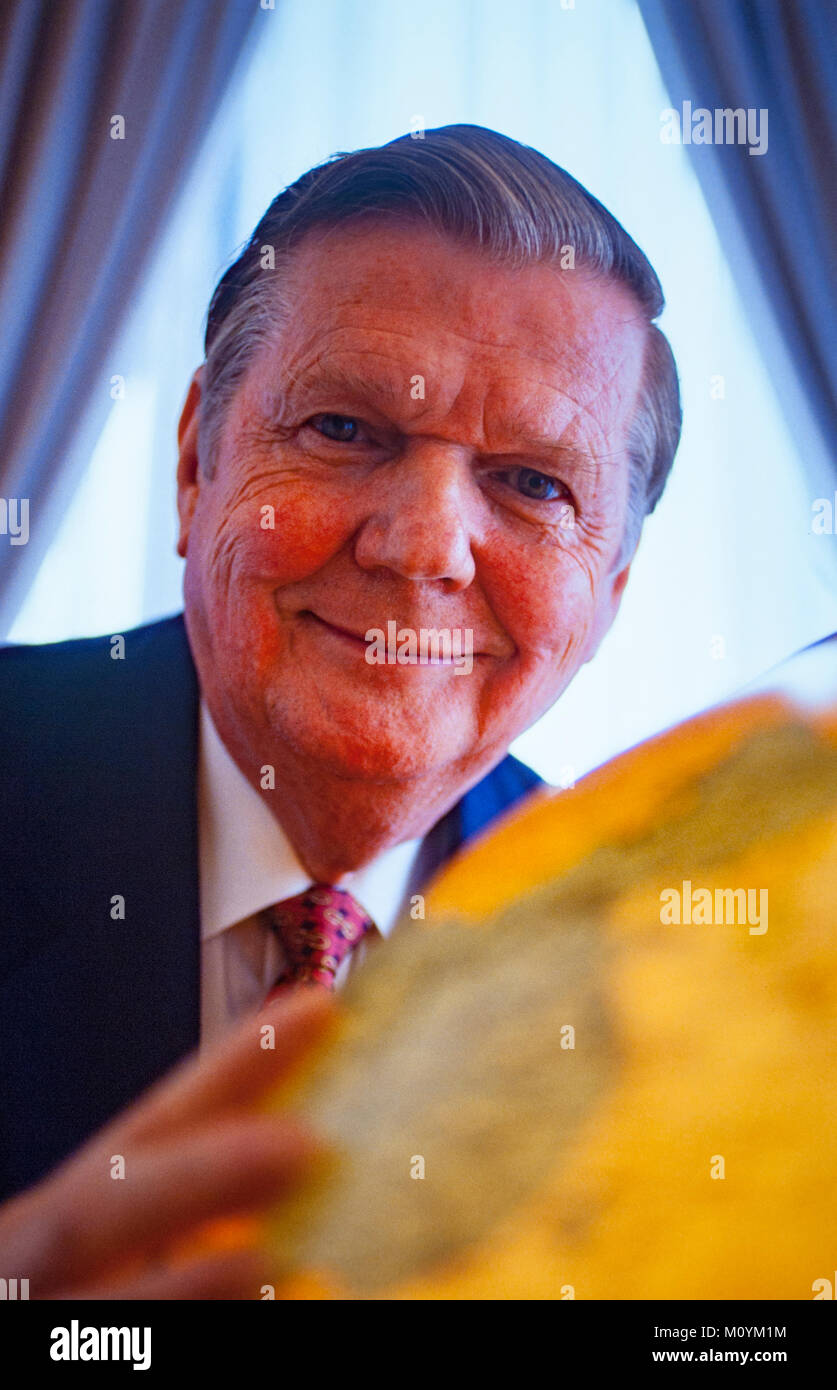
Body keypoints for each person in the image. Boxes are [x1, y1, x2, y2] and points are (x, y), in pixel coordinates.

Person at [0, 124, 681, 1296]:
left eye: (532, 482)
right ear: (196, 467)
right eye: (345, 429)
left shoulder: (650, 966)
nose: (423, 546)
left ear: (610, 591)